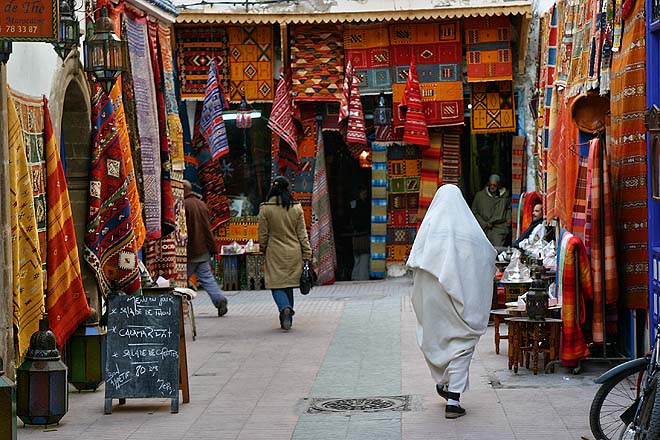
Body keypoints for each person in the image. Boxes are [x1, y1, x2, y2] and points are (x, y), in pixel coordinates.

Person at [407, 185, 496, 419]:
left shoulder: (429, 228)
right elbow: (488, 255)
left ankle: (446, 386)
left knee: (441, 339)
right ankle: (453, 401)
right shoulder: (471, 232)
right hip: (462, 297)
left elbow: (415, 263)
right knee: (461, 343)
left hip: (433, 300)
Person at [258, 176, 312, 330]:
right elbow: (302, 233)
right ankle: (287, 314)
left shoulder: (266, 208)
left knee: (277, 284)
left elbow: (263, 234)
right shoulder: (296, 207)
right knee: (288, 284)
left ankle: (284, 309)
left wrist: (263, 248)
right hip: (294, 250)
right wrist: (307, 253)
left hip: (275, 251)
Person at [184, 180, 228, 316]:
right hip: (203, 249)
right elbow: (207, 229)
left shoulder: (184, 205)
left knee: (180, 279)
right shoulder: (201, 204)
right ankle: (220, 299)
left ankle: (177, 309)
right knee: (207, 278)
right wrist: (211, 247)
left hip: (190, 250)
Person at [471, 174, 512, 248]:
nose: (492, 187)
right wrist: (484, 223)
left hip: (499, 228)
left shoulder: (505, 197)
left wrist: (508, 219)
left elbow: (508, 208)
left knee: (496, 249)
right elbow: (474, 212)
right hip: (482, 228)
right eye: (491, 185)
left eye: (495, 185)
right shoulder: (480, 196)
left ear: (499, 185)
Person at [350, 184, 371, 281]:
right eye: (363, 193)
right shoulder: (362, 205)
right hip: (362, 234)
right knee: (362, 258)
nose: (365, 195)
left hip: (357, 234)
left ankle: (356, 277)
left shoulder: (356, 204)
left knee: (358, 258)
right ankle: (362, 277)